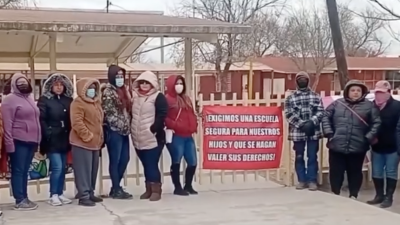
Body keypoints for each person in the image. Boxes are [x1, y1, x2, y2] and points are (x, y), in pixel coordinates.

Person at [322, 80, 381, 199]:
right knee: (336, 172)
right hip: (337, 144)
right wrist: (329, 133)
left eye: (358, 91)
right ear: (347, 92)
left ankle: (353, 194)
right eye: (353, 90)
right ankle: (335, 193)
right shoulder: (337, 104)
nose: (355, 93)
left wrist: (367, 138)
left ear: (362, 92)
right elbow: (325, 117)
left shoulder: (369, 106)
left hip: (358, 145)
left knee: (355, 172)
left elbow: (376, 123)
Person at [1, 73, 41, 210]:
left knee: (24, 171)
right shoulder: (9, 100)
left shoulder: (29, 98)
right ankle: (19, 199)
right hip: (19, 140)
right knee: (18, 170)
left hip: (31, 141)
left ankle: (25, 197)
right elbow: (7, 124)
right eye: (19, 82)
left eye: (25, 81)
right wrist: (9, 144)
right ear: (14, 85)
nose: (23, 84)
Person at [37, 73, 74, 206]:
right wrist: (49, 133)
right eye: (56, 85)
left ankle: (60, 192)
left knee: (63, 167)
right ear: (50, 86)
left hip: (65, 138)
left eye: (61, 85)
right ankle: (53, 194)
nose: (59, 87)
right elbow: (42, 119)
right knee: (57, 167)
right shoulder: (45, 100)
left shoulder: (68, 100)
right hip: (52, 138)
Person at [131, 71, 168, 201]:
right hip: (138, 137)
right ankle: (148, 188)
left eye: (147, 82)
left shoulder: (158, 97)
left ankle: (156, 190)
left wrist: (153, 129)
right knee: (146, 164)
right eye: (142, 82)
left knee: (152, 163)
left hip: (153, 137)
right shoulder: (135, 97)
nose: (145, 85)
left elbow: (162, 114)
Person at [284, 71, 324, 191]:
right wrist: (301, 124)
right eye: (300, 79)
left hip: (313, 132)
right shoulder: (290, 98)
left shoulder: (316, 96)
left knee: (312, 156)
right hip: (298, 132)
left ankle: (312, 180)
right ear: (296, 81)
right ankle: (302, 180)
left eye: (304, 79)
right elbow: (289, 114)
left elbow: (321, 111)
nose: (302, 81)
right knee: (299, 156)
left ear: (308, 81)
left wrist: (312, 122)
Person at [70, 78, 104, 207]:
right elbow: (77, 122)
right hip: (82, 143)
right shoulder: (77, 103)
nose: (92, 90)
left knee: (92, 169)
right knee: (83, 170)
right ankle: (83, 195)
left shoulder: (96, 103)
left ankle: (90, 192)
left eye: (94, 88)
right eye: (89, 88)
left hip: (95, 143)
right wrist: (87, 136)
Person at [366, 81, 400, 208]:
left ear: (389, 93)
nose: (379, 95)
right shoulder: (371, 106)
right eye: (377, 92)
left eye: (382, 93)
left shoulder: (397, 106)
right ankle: (379, 195)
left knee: (391, 171)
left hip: (393, 146)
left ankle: (389, 197)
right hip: (376, 146)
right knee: (376, 171)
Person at [101, 65, 132, 199]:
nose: (120, 78)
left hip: (125, 131)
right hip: (114, 131)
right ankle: (116, 188)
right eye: (117, 76)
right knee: (115, 160)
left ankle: (116, 187)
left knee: (125, 159)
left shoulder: (124, 90)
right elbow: (109, 114)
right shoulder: (108, 92)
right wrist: (121, 125)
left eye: (122, 76)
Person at [165, 75, 198, 196]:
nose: (179, 86)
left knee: (193, 161)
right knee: (176, 160)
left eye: (181, 83)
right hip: (176, 135)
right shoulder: (167, 99)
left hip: (188, 135)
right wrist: (173, 125)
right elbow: (164, 116)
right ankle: (177, 187)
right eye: (177, 83)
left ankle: (188, 185)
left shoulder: (187, 99)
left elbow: (192, 114)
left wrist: (195, 124)